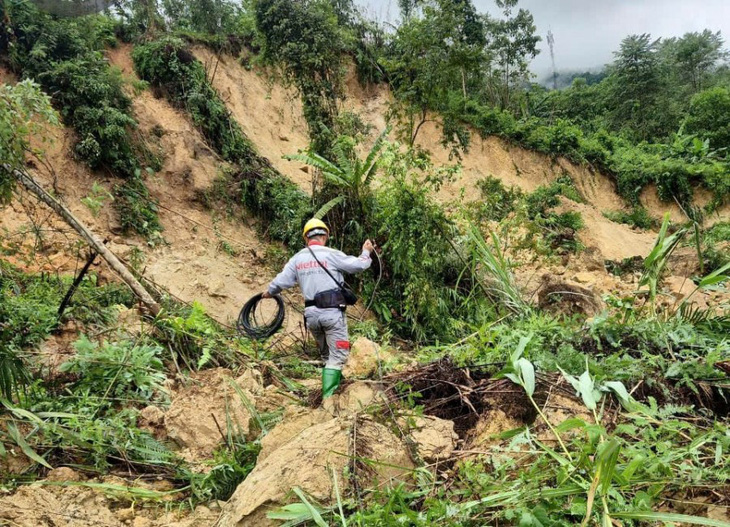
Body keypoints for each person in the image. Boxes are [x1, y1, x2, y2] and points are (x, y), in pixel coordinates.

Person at [263, 219, 374, 398]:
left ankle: (334, 391)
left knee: (327, 356)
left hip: (312, 317)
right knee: (338, 357)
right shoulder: (330, 253)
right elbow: (358, 265)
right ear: (324, 236)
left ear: (306, 238)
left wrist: (269, 292)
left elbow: (281, 282)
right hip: (332, 313)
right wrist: (366, 251)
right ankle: (329, 400)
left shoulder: (297, 258)